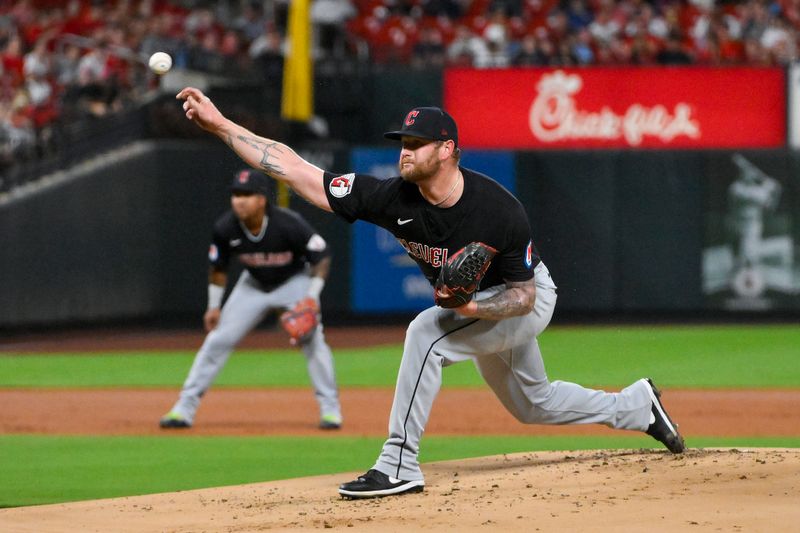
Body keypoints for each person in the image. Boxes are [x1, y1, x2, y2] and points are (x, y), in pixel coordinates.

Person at [175, 87, 686, 498]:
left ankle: (399, 462)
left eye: (416, 143)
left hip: (520, 299)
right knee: (534, 403)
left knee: (427, 332)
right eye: (402, 141)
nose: (405, 150)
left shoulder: (497, 209)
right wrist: (221, 125)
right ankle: (638, 407)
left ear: (447, 151)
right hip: (481, 309)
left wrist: (471, 307)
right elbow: (298, 170)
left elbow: (525, 297)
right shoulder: (387, 196)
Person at [159, 168, 342, 431]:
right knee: (217, 340)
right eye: (235, 194)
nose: (239, 200)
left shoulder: (287, 224)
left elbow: (321, 255)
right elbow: (218, 267)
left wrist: (311, 298)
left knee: (313, 339)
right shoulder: (225, 227)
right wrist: (214, 306)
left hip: (293, 282)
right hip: (253, 285)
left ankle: (331, 411)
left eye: (246, 194)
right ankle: (183, 409)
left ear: (262, 199)